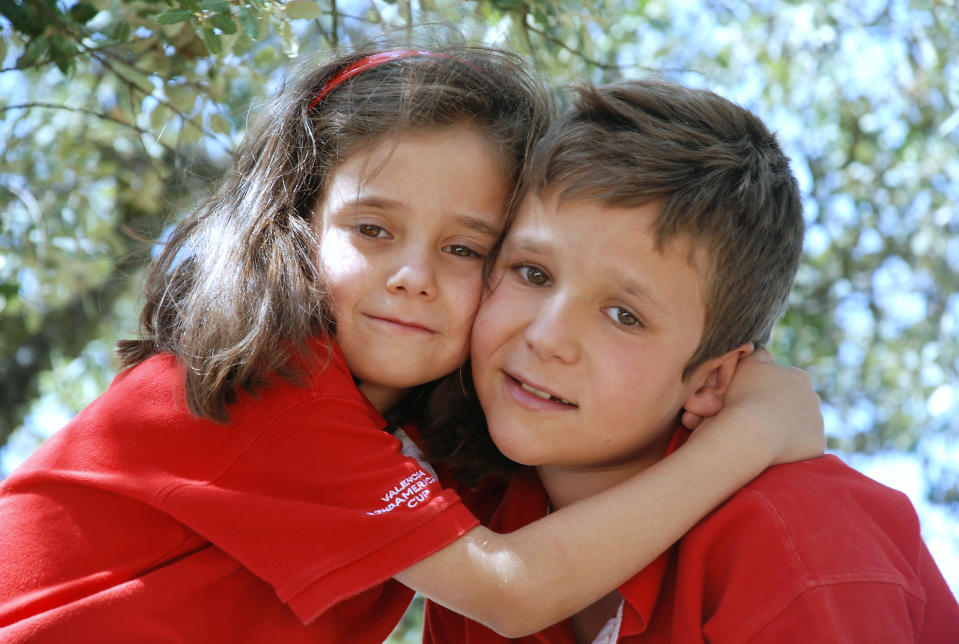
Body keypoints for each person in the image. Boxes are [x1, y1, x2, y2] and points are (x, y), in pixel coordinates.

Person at [0, 48, 823, 644]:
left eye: (466, 250)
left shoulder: (415, 446)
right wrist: (748, 434)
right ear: (293, 224)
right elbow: (511, 590)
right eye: (372, 229)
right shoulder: (261, 385)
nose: (413, 277)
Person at [423, 79, 959, 643]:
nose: (547, 335)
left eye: (623, 315)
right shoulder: (482, 519)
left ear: (712, 379)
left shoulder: (800, 544)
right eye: (533, 273)